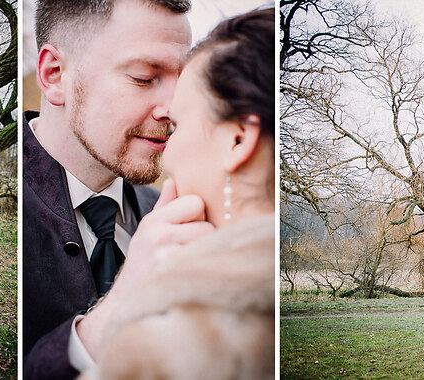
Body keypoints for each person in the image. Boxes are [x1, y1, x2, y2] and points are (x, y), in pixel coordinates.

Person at [75, 8, 275, 379]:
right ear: (55, 74)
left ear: (237, 140)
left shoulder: (167, 354)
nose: (166, 125)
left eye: (179, 123)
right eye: (144, 77)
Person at [21, 0, 193, 375]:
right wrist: (109, 320)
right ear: (54, 74)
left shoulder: (172, 215)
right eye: (145, 78)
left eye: (185, 81)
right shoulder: (12, 218)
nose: (175, 108)